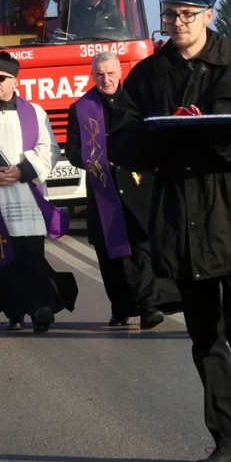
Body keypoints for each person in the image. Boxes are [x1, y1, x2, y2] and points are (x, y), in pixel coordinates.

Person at [108, 0, 231, 462]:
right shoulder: (147, 76)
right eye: (170, 14)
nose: (177, 22)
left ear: (208, 15)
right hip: (181, 222)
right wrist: (165, 135)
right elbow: (122, 143)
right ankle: (225, 441)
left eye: (187, 14)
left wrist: (204, 132)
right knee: (206, 337)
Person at [0, 52, 76, 332]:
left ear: (15, 81)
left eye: (1, 77)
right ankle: (13, 311)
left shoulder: (35, 112)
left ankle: (41, 308)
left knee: (30, 256)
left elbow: (50, 149)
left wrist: (23, 170)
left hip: (24, 197)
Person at [66, 51, 179, 328]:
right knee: (110, 254)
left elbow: (155, 138)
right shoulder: (80, 108)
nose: (106, 79)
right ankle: (121, 307)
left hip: (138, 186)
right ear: (93, 76)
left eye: (110, 73)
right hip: (103, 190)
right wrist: (98, 159)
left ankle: (150, 304)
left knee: (143, 246)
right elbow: (72, 151)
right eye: (100, 74)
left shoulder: (138, 103)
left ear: (120, 73)